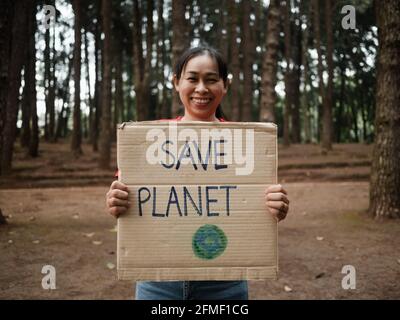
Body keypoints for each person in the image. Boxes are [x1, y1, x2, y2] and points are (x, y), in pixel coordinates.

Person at [106, 46, 290, 300]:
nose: (201, 88)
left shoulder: (247, 144)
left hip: (225, 284)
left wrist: (275, 206)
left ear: (225, 85)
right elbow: (126, 199)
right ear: (176, 83)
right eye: (192, 78)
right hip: (158, 283)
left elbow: (254, 206)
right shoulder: (149, 139)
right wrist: (116, 202)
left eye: (211, 80)